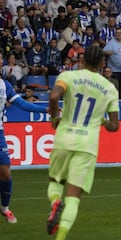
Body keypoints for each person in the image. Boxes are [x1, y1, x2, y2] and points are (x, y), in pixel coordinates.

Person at [46, 45, 119, 239]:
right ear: (103, 63)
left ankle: (54, 201)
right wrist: (101, 121)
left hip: (64, 138)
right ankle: (60, 237)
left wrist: (54, 119)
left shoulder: (68, 77)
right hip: (87, 144)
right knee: (73, 198)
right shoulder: (109, 88)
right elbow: (114, 125)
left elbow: (53, 96)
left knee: (55, 181)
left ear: (82, 60)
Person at [0, 52, 48, 223]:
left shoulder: (5, 85)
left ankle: (5, 208)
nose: (0, 62)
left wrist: (46, 109)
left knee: (5, 173)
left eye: (0, 59)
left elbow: (21, 104)